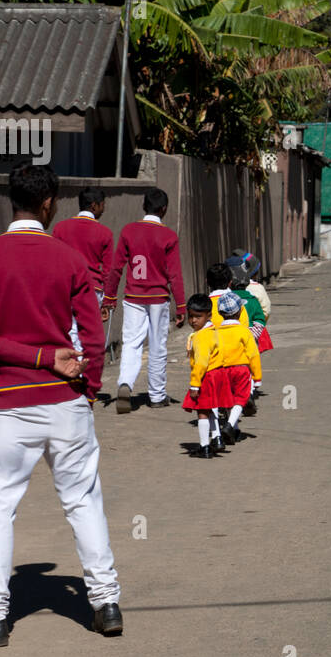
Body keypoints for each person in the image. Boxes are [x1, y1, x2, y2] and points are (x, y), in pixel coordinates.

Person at [0, 163, 120, 647]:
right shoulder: (69, 259)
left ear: (10, 201)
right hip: (66, 403)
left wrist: (33, 357)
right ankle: (105, 603)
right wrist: (90, 385)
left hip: (11, 405)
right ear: (48, 203)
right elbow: (93, 334)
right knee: (83, 501)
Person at [104, 188, 186, 413]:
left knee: (131, 342)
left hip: (133, 296)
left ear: (144, 206)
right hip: (158, 297)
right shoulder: (168, 236)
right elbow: (175, 274)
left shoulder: (129, 231)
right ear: (164, 209)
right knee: (158, 345)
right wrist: (181, 305)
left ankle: (125, 383)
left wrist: (109, 297)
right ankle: (157, 395)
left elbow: (116, 267)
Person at [54, 187, 115, 353]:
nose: (104, 209)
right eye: (103, 205)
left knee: (70, 330)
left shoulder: (60, 229)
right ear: (94, 206)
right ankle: (82, 369)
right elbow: (108, 270)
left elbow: (53, 261)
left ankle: (72, 367)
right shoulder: (105, 233)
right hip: (91, 289)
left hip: (65, 287)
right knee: (88, 332)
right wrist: (109, 300)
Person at [208, 290, 262, 447]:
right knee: (241, 398)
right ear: (239, 312)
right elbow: (253, 355)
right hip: (240, 369)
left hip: (221, 370)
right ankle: (230, 425)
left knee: (227, 400)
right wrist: (257, 378)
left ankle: (231, 430)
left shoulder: (215, 333)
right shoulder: (244, 332)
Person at [182, 294, 225, 458]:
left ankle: (204, 446)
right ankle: (217, 437)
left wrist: (195, 384)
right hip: (217, 373)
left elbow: (201, 362)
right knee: (211, 408)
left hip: (206, 376)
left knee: (202, 412)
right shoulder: (212, 331)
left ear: (209, 315)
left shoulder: (200, 337)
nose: (193, 320)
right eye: (191, 316)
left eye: (198, 317)